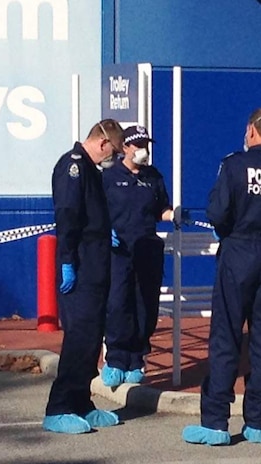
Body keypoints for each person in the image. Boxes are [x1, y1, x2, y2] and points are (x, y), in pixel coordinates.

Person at [182, 107, 261, 446]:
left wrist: (229, 230)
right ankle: (258, 423)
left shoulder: (234, 165)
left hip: (239, 253)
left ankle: (217, 422)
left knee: (226, 337)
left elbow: (217, 212)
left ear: (251, 130)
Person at [44, 119, 124, 434]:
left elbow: (92, 214)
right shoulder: (73, 167)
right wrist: (66, 260)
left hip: (96, 262)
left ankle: (81, 402)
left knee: (92, 339)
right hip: (80, 264)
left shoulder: (92, 171)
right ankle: (59, 406)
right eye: (115, 152)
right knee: (79, 338)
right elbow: (68, 216)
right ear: (103, 143)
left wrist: (107, 232)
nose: (115, 158)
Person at [101, 125, 176, 386]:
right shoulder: (109, 177)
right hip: (119, 250)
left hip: (147, 249)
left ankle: (137, 358)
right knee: (118, 302)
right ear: (125, 148)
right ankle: (116, 358)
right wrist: (104, 231)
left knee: (146, 305)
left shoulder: (153, 176)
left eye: (146, 143)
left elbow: (161, 210)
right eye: (138, 144)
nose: (143, 149)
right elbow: (97, 211)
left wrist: (174, 214)